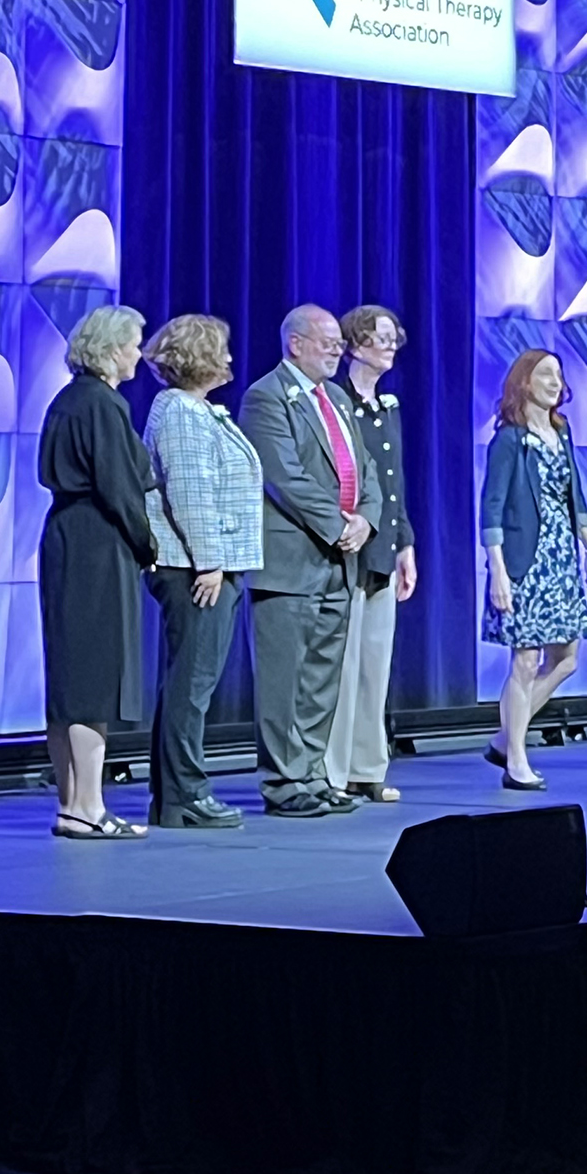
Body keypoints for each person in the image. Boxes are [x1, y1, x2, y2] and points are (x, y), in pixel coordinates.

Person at [239, 305, 381, 818]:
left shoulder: (338, 398)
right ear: (295, 343)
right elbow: (283, 476)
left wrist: (366, 518)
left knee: (323, 676)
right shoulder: (266, 397)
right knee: (283, 680)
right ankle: (282, 781)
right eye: (326, 342)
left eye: (338, 343)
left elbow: (365, 469)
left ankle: (314, 774)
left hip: (339, 560)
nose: (336, 350)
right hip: (290, 561)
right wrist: (340, 525)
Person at [37, 304, 156, 840]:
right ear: (112, 350)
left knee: (69, 675)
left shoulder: (67, 400)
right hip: (95, 543)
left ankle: (72, 803)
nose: (139, 353)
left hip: (67, 536)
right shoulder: (102, 405)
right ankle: (88, 804)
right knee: (90, 677)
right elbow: (120, 486)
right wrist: (146, 543)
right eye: (133, 344)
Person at [141, 313, 264, 830]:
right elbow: (191, 495)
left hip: (210, 564)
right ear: (200, 358)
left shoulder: (201, 412)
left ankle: (176, 794)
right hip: (195, 568)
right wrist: (210, 562)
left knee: (193, 684)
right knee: (192, 685)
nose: (232, 359)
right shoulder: (180, 415)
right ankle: (184, 794)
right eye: (222, 350)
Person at [479, 349, 587, 792]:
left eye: (559, 374)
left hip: (559, 561)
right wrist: (497, 570)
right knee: (525, 661)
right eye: (545, 373)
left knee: (567, 658)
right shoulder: (510, 440)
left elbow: (576, 493)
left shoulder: (561, 432)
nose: (555, 381)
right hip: (523, 561)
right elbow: (490, 506)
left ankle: (503, 735)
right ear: (524, 381)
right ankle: (516, 758)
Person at [328, 304, 416, 804]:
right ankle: (334, 770)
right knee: (343, 663)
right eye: (380, 338)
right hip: (349, 546)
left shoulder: (389, 407)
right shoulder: (337, 403)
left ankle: (368, 765)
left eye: (392, 338)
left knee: (375, 662)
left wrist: (405, 543)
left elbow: (394, 483)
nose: (390, 346)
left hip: (383, 547)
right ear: (355, 345)